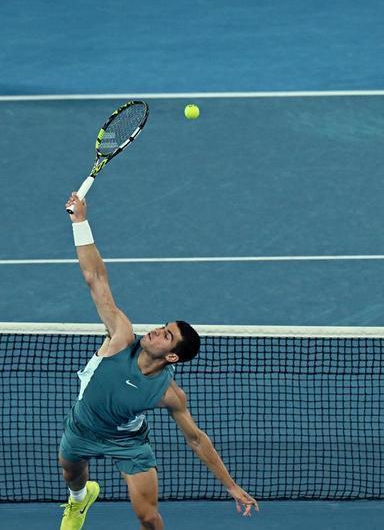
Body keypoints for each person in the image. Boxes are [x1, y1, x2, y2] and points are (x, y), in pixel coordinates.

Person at [59, 192, 259, 530]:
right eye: (162, 327)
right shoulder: (121, 337)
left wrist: (231, 486)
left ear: (171, 356)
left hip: (128, 443)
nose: (154, 331)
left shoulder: (169, 393)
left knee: (149, 518)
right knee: (72, 472)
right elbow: (97, 280)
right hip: (82, 426)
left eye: (165, 335)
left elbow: (196, 439)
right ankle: (79, 501)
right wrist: (80, 222)